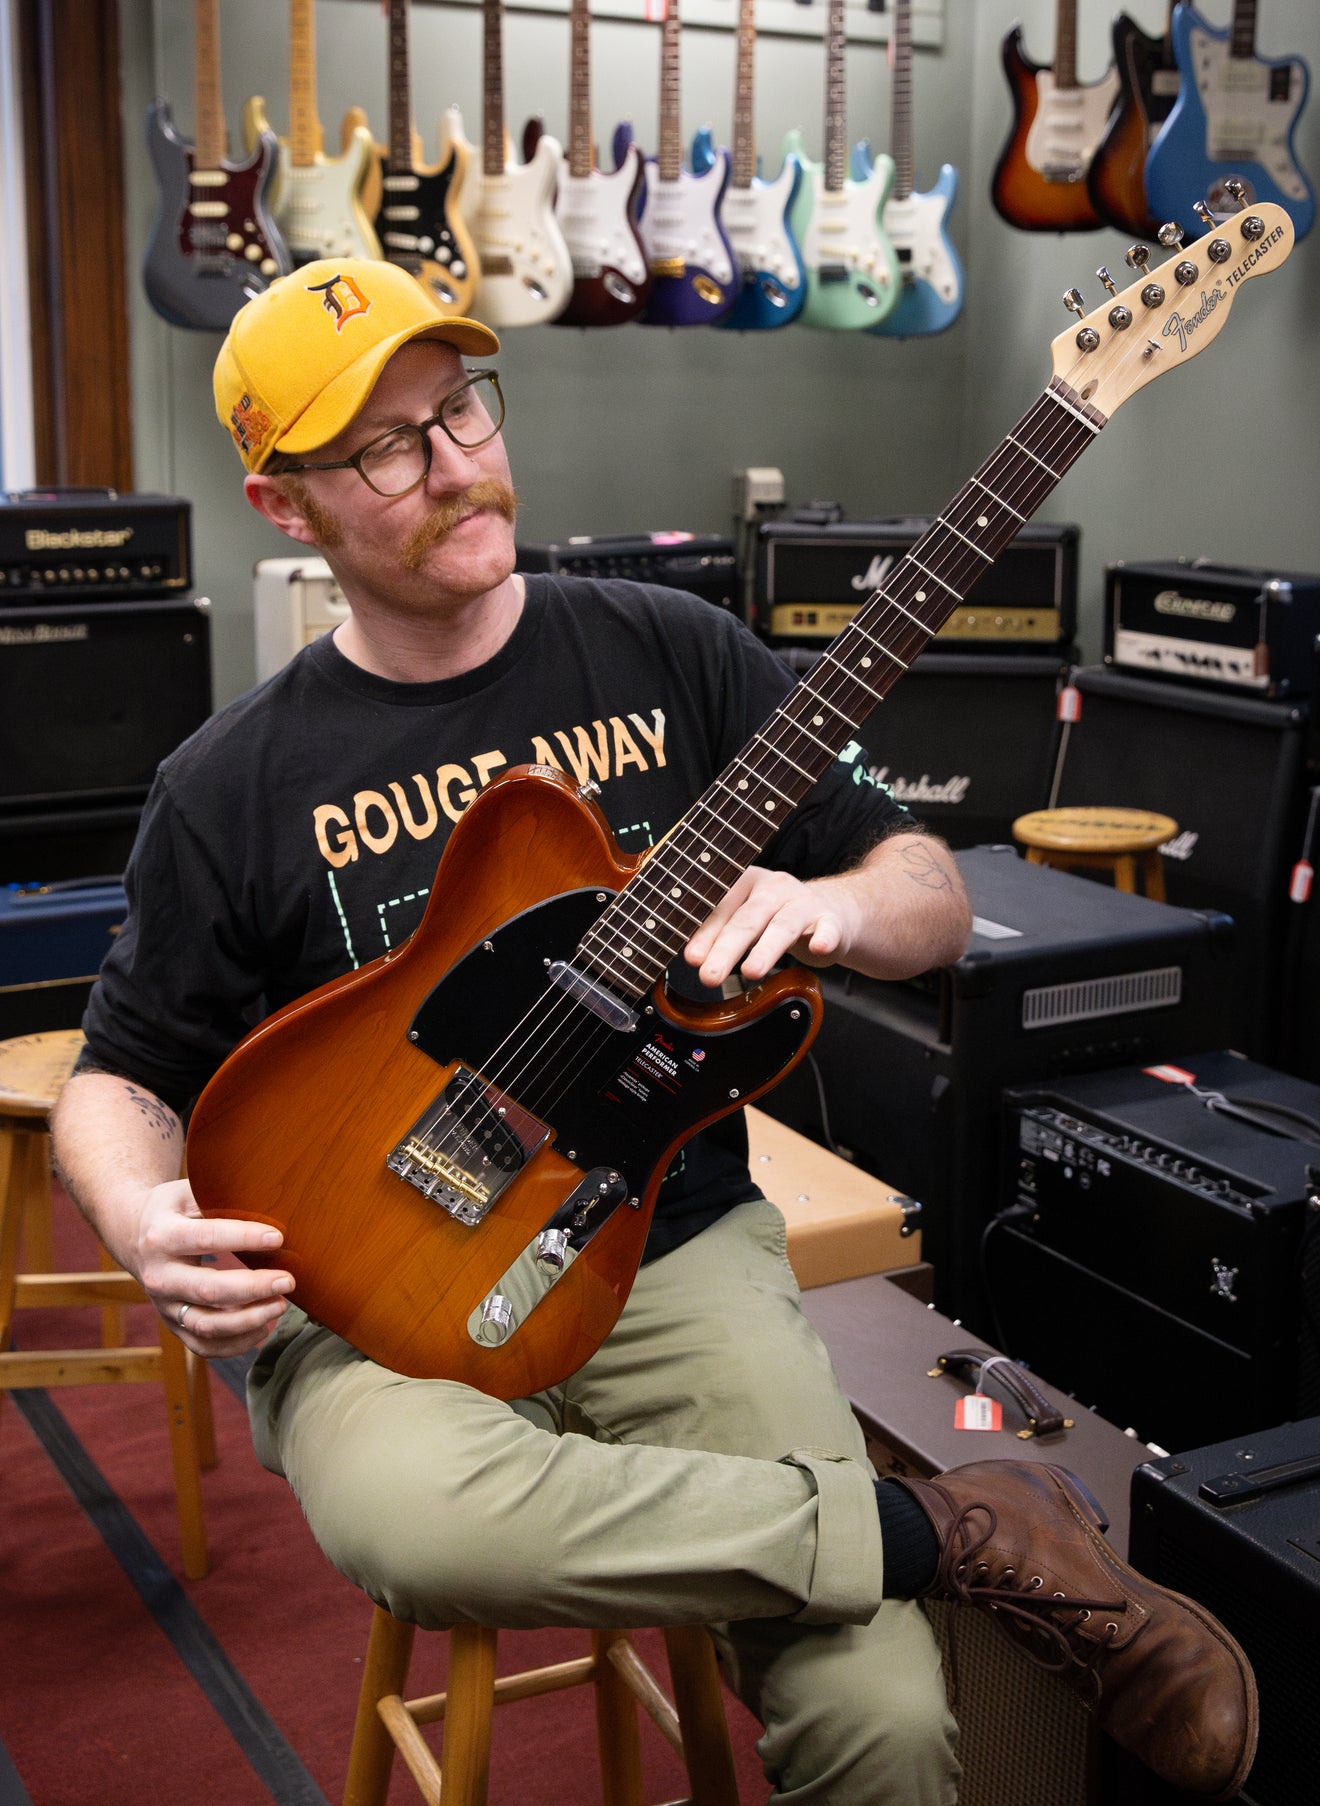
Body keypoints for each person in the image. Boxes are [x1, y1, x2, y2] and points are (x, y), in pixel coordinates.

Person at [50, 259, 1256, 1803]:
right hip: (372, 1281)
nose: (456, 465)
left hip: (671, 1242)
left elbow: (926, 896)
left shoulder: (667, 650)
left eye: (462, 411)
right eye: (382, 448)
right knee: (412, 1523)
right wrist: (146, 1214)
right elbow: (121, 1074)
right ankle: (941, 1526)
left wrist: (832, 906)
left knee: (883, 1720)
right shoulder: (228, 784)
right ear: (284, 506)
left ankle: (889, 1544)